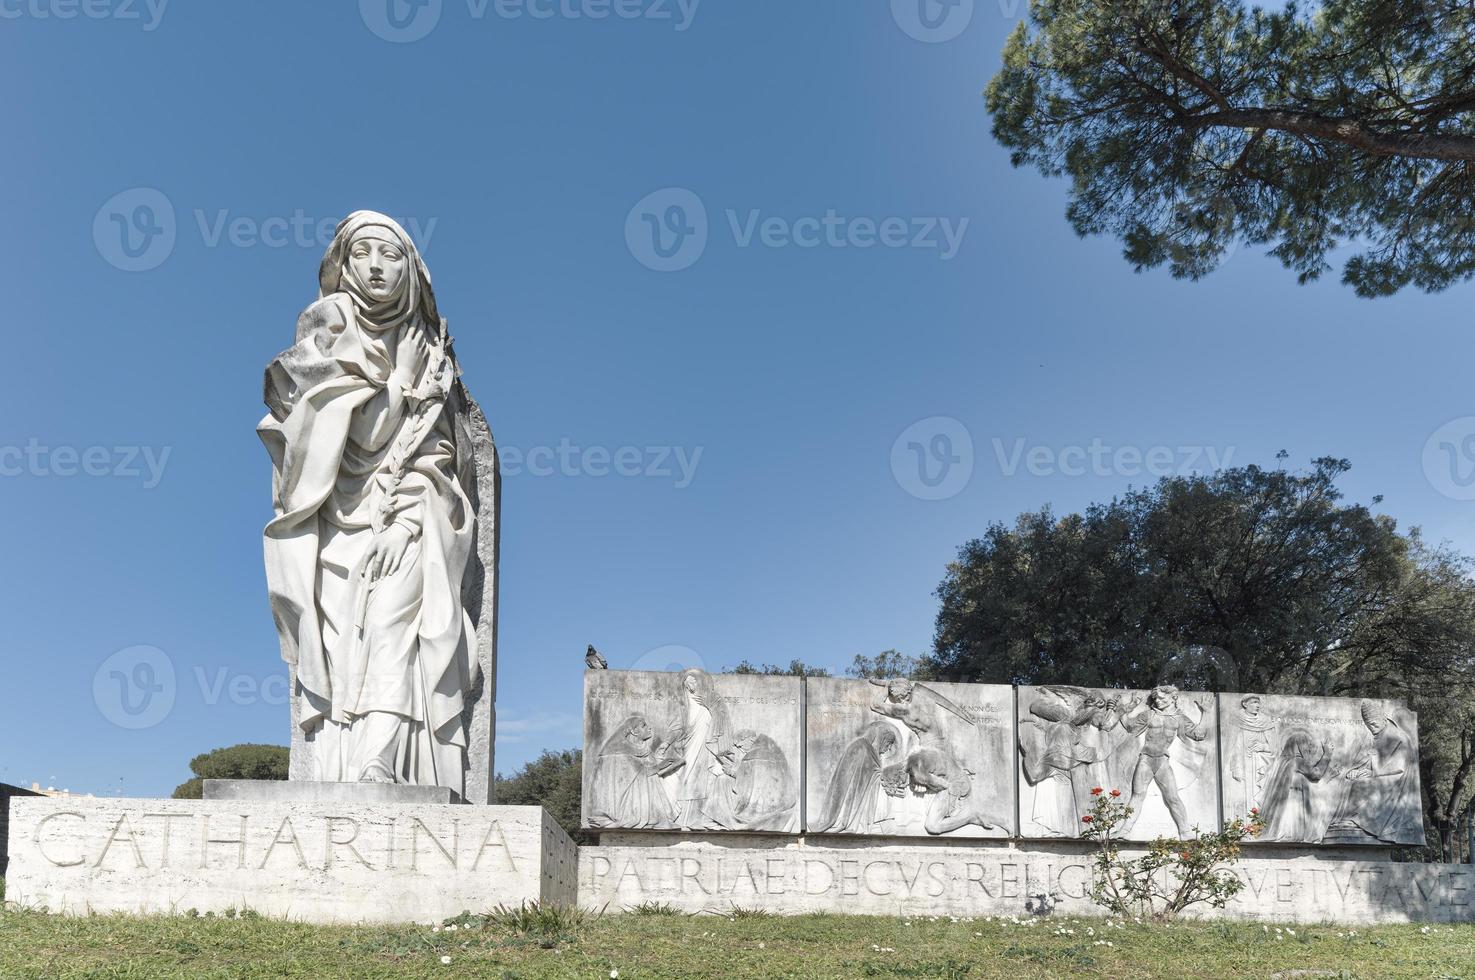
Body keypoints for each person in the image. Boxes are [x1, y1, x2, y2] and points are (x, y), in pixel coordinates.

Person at [260, 211, 480, 794]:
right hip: (332, 518)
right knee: (337, 649)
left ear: (412, 268)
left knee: (395, 627)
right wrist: (398, 382)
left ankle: (379, 762)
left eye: (392, 254)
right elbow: (343, 433)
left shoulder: (432, 351)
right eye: (364, 253)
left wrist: (408, 521)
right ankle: (333, 768)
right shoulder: (324, 333)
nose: (377, 267)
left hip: (410, 517)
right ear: (343, 263)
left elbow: (438, 454)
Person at [1116, 686, 1210, 838]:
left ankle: (1185, 832)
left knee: (1172, 797)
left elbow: (1199, 734)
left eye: (1161, 698)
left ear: (1173, 698)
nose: (1157, 701)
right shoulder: (1149, 715)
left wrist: (1206, 712)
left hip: (1162, 762)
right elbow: (1130, 726)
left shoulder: (1179, 717)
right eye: (1155, 699)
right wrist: (1124, 709)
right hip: (1145, 759)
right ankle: (1124, 831)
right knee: (1137, 795)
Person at [1260, 728, 1333, 842]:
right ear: (1299, 745)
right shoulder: (1296, 761)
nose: (1309, 749)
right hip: (1292, 804)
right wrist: (1327, 754)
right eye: (1307, 745)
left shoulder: (1281, 762)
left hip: (1285, 804)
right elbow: (1316, 774)